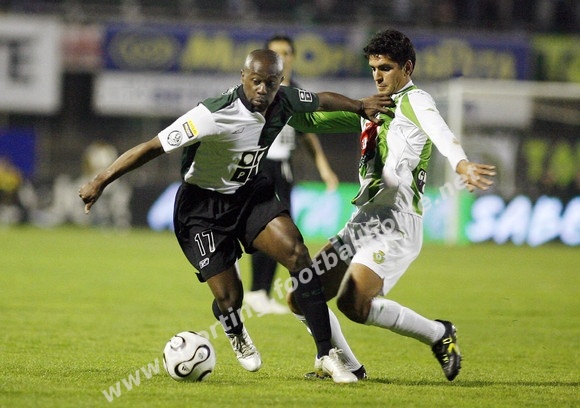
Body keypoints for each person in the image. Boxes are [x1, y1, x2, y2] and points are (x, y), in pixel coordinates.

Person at [79, 49, 392, 384]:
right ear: (243, 77)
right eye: (255, 81)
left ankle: (326, 354)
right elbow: (152, 147)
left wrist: (359, 106)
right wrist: (101, 180)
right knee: (230, 298)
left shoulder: (283, 99)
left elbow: (321, 101)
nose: (262, 89)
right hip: (201, 209)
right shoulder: (211, 114)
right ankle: (235, 328)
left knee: (298, 255)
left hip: (249, 195)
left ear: (280, 82)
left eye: (270, 83)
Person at [286, 29, 496, 381]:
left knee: (354, 303)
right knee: (301, 298)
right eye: (373, 68)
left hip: (396, 223)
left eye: (385, 68)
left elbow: (441, 133)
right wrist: (276, 105)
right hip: (363, 222)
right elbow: (310, 121)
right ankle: (349, 367)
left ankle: (438, 333)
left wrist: (460, 163)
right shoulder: (371, 108)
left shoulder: (416, 101)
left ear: (407, 68)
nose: (377, 76)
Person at [245, 35, 339, 315]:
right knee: (267, 227)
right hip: (260, 164)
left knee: (283, 229)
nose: (282, 58)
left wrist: (324, 169)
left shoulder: (297, 93)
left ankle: (261, 293)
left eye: (286, 53)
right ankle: (257, 291)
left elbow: (308, 134)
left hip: (283, 168)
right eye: (275, 53)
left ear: (293, 57)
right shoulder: (258, 89)